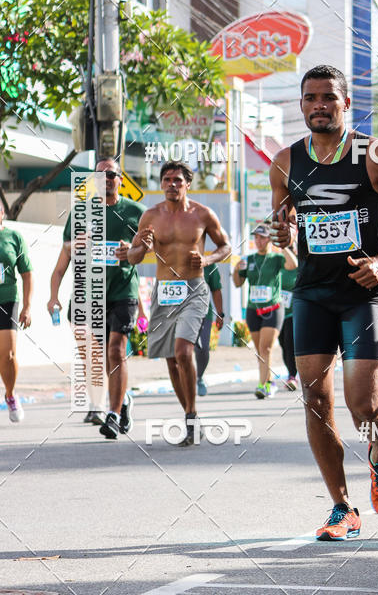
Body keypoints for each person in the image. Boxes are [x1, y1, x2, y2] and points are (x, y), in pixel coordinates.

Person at [270, 64, 378, 541]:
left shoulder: (374, 152)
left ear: (345, 102)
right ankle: (342, 508)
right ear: (301, 105)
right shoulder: (285, 161)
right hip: (312, 292)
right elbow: (284, 224)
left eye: (328, 98)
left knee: (364, 404)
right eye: (311, 97)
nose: (319, 105)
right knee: (314, 399)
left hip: (362, 292)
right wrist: (284, 232)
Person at [128, 160, 231, 446]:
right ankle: (190, 414)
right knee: (171, 360)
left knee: (183, 350)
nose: (172, 185)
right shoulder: (150, 216)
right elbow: (133, 257)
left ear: (187, 184)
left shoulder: (202, 214)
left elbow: (226, 246)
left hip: (193, 289)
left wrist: (208, 258)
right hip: (165, 291)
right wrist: (142, 247)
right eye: (167, 180)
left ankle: (191, 416)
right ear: (161, 184)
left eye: (177, 180)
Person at [48, 158, 146, 437]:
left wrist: (133, 249)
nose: (107, 180)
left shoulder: (136, 212)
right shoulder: (81, 211)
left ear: (121, 180)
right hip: (89, 294)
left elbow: (154, 250)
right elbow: (65, 252)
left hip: (122, 292)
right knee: (95, 356)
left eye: (112, 175)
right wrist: (53, 295)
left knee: (115, 350)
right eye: (101, 176)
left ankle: (112, 415)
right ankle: (122, 399)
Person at [233, 224, 297, 399]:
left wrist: (282, 246)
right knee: (260, 350)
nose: (258, 241)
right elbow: (237, 283)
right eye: (256, 237)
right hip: (254, 310)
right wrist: (236, 270)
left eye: (262, 237)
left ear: (269, 239)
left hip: (274, 309)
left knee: (265, 348)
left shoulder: (276, 258)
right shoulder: (250, 259)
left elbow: (293, 265)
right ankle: (269, 381)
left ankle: (263, 386)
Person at [0, 202, 32, 422]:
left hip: (7, 298)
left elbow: (27, 273)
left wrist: (28, 306)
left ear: (2, 212)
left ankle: (10, 395)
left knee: (8, 355)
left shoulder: (13, 236)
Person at [194, 264, 225, 396]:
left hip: (204, 314)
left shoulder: (209, 265)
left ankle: (199, 377)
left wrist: (220, 313)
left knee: (203, 348)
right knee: (183, 349)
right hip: (181, 314)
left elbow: (216, 290)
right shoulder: (176, 259)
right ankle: (185, 379)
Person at [279, 250, 298, 390]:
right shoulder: (278, 264)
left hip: (293, 313)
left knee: (289, 342)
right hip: (278, 312)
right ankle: (290, 373)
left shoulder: (297, 266)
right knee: (284, 346)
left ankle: (293, 375)